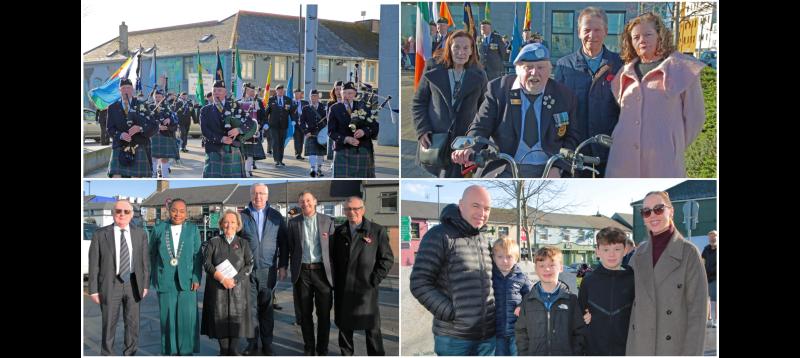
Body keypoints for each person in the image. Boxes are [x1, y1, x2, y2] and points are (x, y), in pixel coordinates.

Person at [452, 43, 581, 178]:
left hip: (549, 167)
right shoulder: (498, 90)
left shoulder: (564, 95)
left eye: (540, 67)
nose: (534, 73)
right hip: (505, 166)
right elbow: (481, 125)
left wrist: (558, 167)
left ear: (549, 70)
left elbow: (572, 137)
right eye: (528, 67)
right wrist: (470, 146)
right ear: (518, 70)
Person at [606, 12, 706, 178]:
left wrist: (673, 144)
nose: (642, 40)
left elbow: (695, 117)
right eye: (636, 37)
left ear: (660, 36)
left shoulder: (682, 68)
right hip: (622, 157)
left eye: (648, 34)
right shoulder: (624, 73)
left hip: (663, 160)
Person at [410, 185, 496, 355]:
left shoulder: (483, 239)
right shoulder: (439, 235)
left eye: (487, 209)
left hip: (487, 338)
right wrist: (451, 313)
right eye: (476, 206)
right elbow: (419, 283)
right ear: (461, 205)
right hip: (454, 340)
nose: (482, 213)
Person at [625, 191, 707, 355]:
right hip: (639, 347)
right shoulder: (638, 254)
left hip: (673, 348)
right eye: (646, 211)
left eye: (659, 209)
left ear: (671, 211)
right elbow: (624, 299)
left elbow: (698, 313)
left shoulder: (689, 253)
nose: (652, 215)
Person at [554, 7, 623, 177]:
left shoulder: (620, 64)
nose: (592, 35)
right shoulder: (564, 66)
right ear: (579, 32)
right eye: (587, 30)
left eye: (597, 30)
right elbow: (558, 109)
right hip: (575, 152)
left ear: (606, 31)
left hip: (610, 150)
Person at [413, 30, 488, 178]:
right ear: (449, 48)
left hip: (464, 144)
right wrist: (422, 129)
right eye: (456, 47)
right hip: (436, 141)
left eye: (466, 48)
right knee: (436, 181)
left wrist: (478, 141)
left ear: (472, 50)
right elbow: (419, 102)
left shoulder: (480, 75)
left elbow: (485, 110)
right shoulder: (433, 68)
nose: (461, 52)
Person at [330, 196, 394, 355]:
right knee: (345, 328)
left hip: (366, 289)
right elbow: (333, 259)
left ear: (363, 210)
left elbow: (386, 259)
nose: (351, 212)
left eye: (355, 209)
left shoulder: (377, 231)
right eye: (348, 209)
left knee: (372, 329)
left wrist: (373, 280)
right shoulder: (339, 232)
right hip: (344, 289)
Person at [88, 199, 150, 355]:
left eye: (126, 211)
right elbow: (94, 264)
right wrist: (93, 290)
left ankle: (130, 353)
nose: (122, 214)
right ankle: (107, 354)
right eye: (118, 211)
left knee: (133, 324)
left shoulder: (140, 234)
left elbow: (145, 262)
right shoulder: (100, 234)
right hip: (110, 285)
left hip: (133, 284)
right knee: (108, 324)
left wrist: (145, 285)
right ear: (112, 213)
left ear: (132, 215)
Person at [281, 191, 336, 355]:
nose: (305, 204)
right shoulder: (293, 223)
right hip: (302, 273)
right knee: (305, 314)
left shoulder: (328, 221)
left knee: (324, 314)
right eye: (301, 201)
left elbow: (334, 249)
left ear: (315, 201)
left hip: (323, 274)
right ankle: (309, 347)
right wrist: (283, 266)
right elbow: (287, 247)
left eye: (308, 200)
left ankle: (322, 348)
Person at [238, 183, 287, 356]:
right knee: (249, 309)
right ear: (250, 195)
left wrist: (283, 266)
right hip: (247, 270)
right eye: (254, 193)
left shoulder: (276, 216)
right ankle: (251, 343)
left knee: (266, 309)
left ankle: (267, 343)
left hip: (268, 269)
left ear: (267, 196)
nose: (257, 197)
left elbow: (284, 243)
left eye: (261, 193)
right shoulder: (242, 216)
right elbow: (235, 242)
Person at [149, 199, 203, 355]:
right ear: (168, 211)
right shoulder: (159, 228)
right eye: (174, 210)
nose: (177, 214)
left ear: (186, 213)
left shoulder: (192, 229)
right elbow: (151, 254)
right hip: (165, 280)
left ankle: (186, 351)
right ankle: (169, 351)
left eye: (181, 211)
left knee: (187, 319)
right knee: (168, 319)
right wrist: (154, 277)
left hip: (188, 281)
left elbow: (198, 256)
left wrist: (196, 277)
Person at [201, 210, 255, 356]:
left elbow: (249, 264)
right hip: (218, 289)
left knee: (236, 320)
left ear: (238, 225)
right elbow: (207, 263)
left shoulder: (244, 243)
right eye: (226, 222)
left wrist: (235, 280)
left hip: (238, 289)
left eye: (232, 222)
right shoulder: (213, 242)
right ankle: (224, 350)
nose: (229, 225)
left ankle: (233, 350)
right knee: (220, 320)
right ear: (221, 224)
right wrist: (222, 279)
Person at [515, 246, 584, 355]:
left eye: (552, 265)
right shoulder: (528, 301)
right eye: (541, 265)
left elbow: (579, 332)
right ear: (536, 269)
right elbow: (521, 332)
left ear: (561, 268)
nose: (546, 269)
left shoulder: (571, 300)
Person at [578, 227, 635, 356]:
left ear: (625, 250)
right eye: (606, 249)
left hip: (626, 350)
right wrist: (584, 317)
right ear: (597, 252)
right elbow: (580, 314)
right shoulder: (588, 281)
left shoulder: (633, 279)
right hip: (594, 350)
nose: (611, 254)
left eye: (617, 249)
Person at [200, 80, 255, 177]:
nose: (216, 93)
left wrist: (238, 130)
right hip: (214, 150)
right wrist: (221, 139)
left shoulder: (235, 106)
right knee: (212, 182)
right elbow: (205, 131)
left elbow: (249, 122)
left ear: (225, 93)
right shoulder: (205, 110)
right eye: (214, 90)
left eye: (219, 90)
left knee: (234, 181)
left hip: (232, 148)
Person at [106, 78, 156, 178]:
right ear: (119, 90)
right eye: (123, 88)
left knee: (136, 177)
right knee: (116, 176)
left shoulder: (142, 105)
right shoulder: (112, 107)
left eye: (128, 88)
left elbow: (154, 126)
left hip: (139, 144)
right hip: (120, 146)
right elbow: (109, 129)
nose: (126, 90)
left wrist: (140, 128)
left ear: (132, 89)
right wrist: (120, 135)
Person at [491, 237, 532, 356]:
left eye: (509, 257)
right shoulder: (490, 276)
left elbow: (530, 297)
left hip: (517, 331)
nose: (504, 261)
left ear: (516, 258)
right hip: (496, 332)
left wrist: (522, 305)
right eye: (500, 257)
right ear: (494, 257)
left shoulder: (521, 277)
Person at [328, 82, 379, 177]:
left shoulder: (362, 106)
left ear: (355, 94)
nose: (346, 96)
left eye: (350, 93)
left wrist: (364, 131)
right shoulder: (334, 108)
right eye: (344, 93)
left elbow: (374, 126)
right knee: (342, 182)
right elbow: (331, 132)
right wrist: (346, 139)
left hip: (362, 149)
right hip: (342, 151)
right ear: (341, 93)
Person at [149, 89, 179, 178]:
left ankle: (165, 177)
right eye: (156, 97)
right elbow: (146, 120)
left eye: (159, 97)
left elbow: (176, 120)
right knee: (153, 157)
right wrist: (158, 126)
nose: (158, 98)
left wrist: (170, 119)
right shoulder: (149, 107)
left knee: (164, 158)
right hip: (154, 135)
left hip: (166, 135)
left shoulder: (168, 107)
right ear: (153, 97)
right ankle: (153, 176)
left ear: (163, 97)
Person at [265, 84, 297, 168]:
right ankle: (276, 160)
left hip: (283, 125)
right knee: (275, 142)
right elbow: (266, 112)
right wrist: (265, 123)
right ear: (276, 91)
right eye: (279, 90)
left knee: (281, 143)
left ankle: (280, 160)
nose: (281, 91)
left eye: (282, 90)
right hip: (273, 125)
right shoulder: (271, 99)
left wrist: (293, 120)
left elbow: (291, 111)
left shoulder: (288, 100)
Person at [239, 83, 267, 177]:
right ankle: (245, 170)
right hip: (241, 131)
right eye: (249, 90)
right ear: (244, 91)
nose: (251, 92)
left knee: (250, 153)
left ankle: (248, 171)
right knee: (242, 153)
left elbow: (263, 115)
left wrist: (262, 125)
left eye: (252, 91)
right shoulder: (238, 102)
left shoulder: (257, 102)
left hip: (253, 130)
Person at [300, 89, 328, 177]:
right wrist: (306, 131)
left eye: (315, 96)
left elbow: (328, 121)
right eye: (312, 96)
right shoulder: (306, 108)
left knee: (320, 153)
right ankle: (312, 169)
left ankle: (319, 169)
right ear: (309, 97)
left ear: (318, 97)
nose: (313, 98)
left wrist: (326, 131)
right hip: (310, 133)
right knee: (312, 152)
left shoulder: (324, 107)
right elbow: (301, 122)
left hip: (321, 133)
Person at [701, 230, 717, 328]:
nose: (712, 238)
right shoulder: (706, 249)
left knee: (715, 299)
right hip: (707, 277)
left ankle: (716, 320)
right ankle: (709, 319)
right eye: (710, 237)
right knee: (707, 298)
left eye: (714, 236)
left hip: (716, 277)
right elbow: (702, 261)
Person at [292, 89, 308, 161]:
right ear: (293, 94)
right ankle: (297, 154)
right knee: (296, 139)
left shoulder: (305, 103)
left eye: (299, 94)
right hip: (294, 124)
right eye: (296, 94)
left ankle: (300, 153)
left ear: (301, 94)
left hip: (303, 124)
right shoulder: (291, 102)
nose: (297, 95)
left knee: (301, 139)